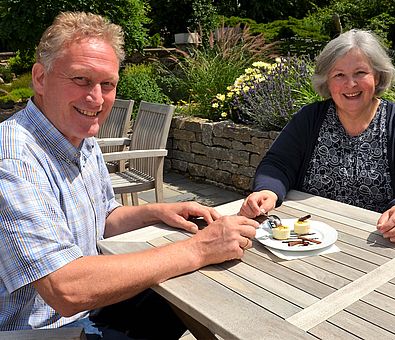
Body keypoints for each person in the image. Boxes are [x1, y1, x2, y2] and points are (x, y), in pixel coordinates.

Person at [0, 12, 259, 338]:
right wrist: (199, 249)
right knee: (192, 272)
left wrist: (158, 211)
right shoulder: (13, 158)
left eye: (107, 84)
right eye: (81, 79)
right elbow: (65, 288)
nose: (96, 98)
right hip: (44, 331)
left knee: (198, 292)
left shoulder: (81, 137)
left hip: (91, 311)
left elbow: (105, 218)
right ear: (40, 78)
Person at [239, 29, 395, 244]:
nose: (350, 84)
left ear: (377, 76)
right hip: (308, 238)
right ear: (327, 81)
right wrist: (268, 190)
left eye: (360, 73)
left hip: (376, 242)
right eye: (339, 75)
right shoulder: (309, 118)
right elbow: (277, 164)